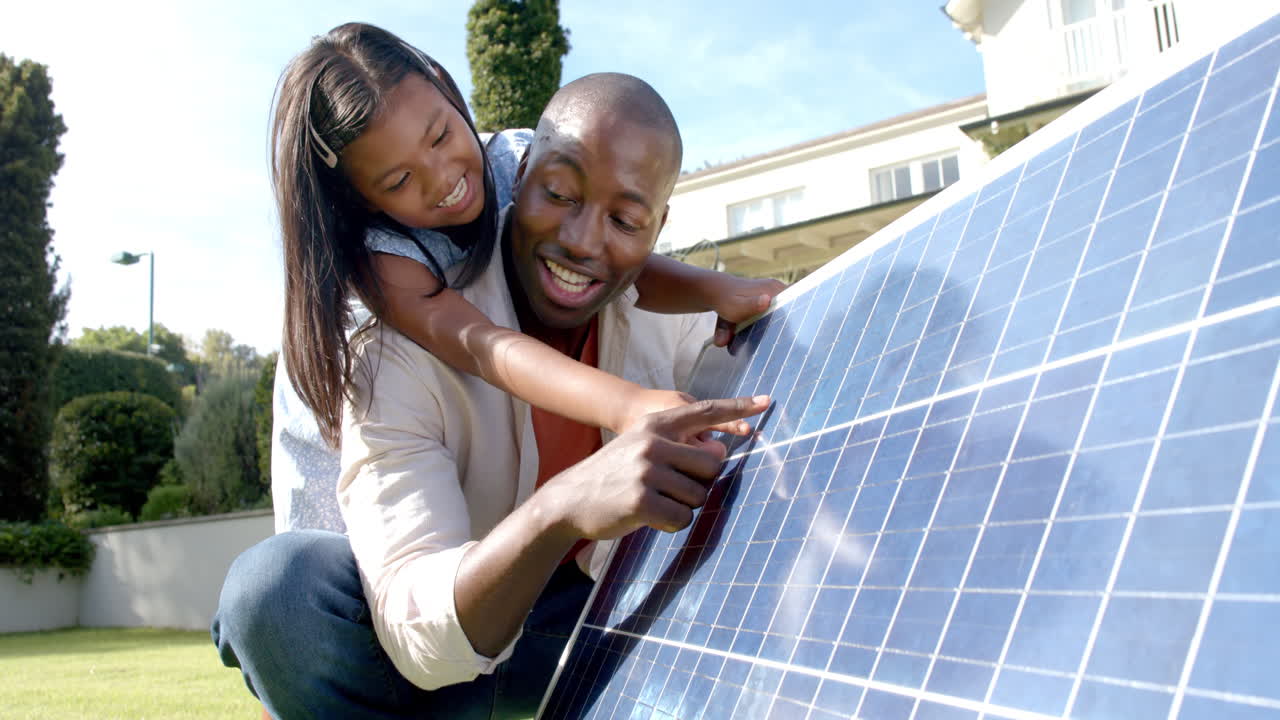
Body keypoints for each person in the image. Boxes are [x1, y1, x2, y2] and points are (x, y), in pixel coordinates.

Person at [213, 71, 770, 718]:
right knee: (279, 591)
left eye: (625, 219)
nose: (583, 240)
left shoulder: (671, 316)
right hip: (438, 663)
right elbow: (420, 629)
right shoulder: (394, 329)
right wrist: (566, 504)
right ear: (523, 173)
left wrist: (757, 305)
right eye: (558, 193)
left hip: (582, 638)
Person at [266, 23, 783, 533]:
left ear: (446, 88)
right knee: (309, 582)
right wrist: (629, 405)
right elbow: (484, 346)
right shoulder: (381, 264)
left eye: (442, 135)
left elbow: (611, 261)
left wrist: (717, 290)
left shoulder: (510, 158)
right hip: (346, 525)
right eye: (400, 180)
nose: (444, 177)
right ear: (359, 197)